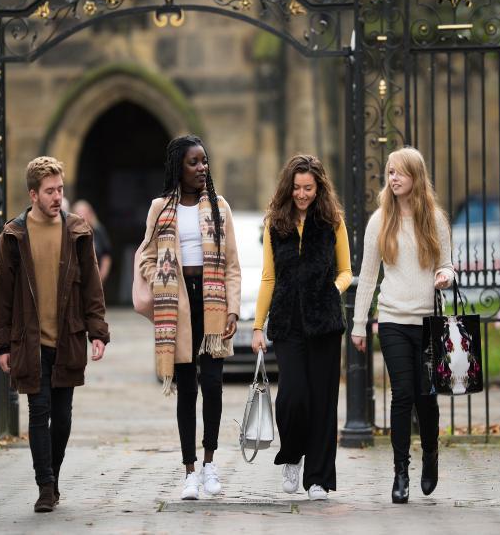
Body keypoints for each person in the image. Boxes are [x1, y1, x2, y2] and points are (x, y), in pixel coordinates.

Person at [0, 156, 109, 513]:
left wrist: (97, 332)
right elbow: (3, 292)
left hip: (68, 337)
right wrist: (1, 345)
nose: (57, 196)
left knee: (63, 417)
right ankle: (45, 485)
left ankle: (53, 477)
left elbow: (91, 285)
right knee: (37, 411)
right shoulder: (14, 235)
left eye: (60, 189)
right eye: (49, 191)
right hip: (29, 340)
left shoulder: (77, 230)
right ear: (33, 194)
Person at [139, 135, 241, 501]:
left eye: (205, 161)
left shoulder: (219, 206)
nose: (202, 168)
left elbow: (231, 264)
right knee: (187, 389)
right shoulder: (159, 209)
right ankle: (189, 471)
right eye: (194, 163)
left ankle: (211, 463)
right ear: (178, 168)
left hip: (211, 302)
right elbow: (146, 257)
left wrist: (232, 308)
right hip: (178, 305)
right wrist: (160, 281)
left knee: (213, 385)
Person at [351, 146, 454, 504]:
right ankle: (400, 473)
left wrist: (444, 275)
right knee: (403, 394)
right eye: (389, 172)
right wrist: (359, 324)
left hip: (428, 322)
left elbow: (449, 265)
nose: (392, 178)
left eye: (399, 172)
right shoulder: (380, 220)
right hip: (393, 318)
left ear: (416, 176)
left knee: (426, 398)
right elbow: (366, 276)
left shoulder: (435, 219)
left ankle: (430, 456)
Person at [251, 154, 352, 501]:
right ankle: (292, 455)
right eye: (296, 188)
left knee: (323, 401)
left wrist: (332, 290)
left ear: (319, 187)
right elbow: (268, 277)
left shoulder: (332, 221)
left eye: (308, 188)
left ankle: (319, 479)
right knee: (293, 398)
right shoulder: (275, 223)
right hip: (287, 322)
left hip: (325, 322)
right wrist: (257, 326)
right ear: (287, 187)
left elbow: (346, 271)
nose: (302, 194)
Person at [72, 200, 113, 285]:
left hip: (95, 280)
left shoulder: (98, 231)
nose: (82, 216)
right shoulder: (70, 233)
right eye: (78, 214)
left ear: (90, 214)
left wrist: (101, 277)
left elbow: (106, 256)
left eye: (84, 213)